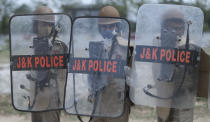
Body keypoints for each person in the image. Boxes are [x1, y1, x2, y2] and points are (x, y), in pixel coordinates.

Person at [88, 5, 132, 122]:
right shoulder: (95, 46)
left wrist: (127, 73)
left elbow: (133, 74)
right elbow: (91, 72)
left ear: (116, 27)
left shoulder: (126, 46)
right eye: (104, 26)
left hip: (117, 99)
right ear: (99, 28)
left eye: (111, 26)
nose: (107, 29)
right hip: (100, 98)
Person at [155, 9, 200, 122]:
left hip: (183, 98)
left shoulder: (191, 46)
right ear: (163, 27)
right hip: (164, 96)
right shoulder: (156, 44)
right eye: (171, 28)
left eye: (179, 28)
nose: (175, 31)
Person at [26, 6, 68, 122]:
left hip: (51, 97)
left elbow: (62, 75)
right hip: (36, 95)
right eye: (43, 24)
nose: (47, 28)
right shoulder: (32, 45)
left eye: (50, 25)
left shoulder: (59, 46)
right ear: (36, 26)